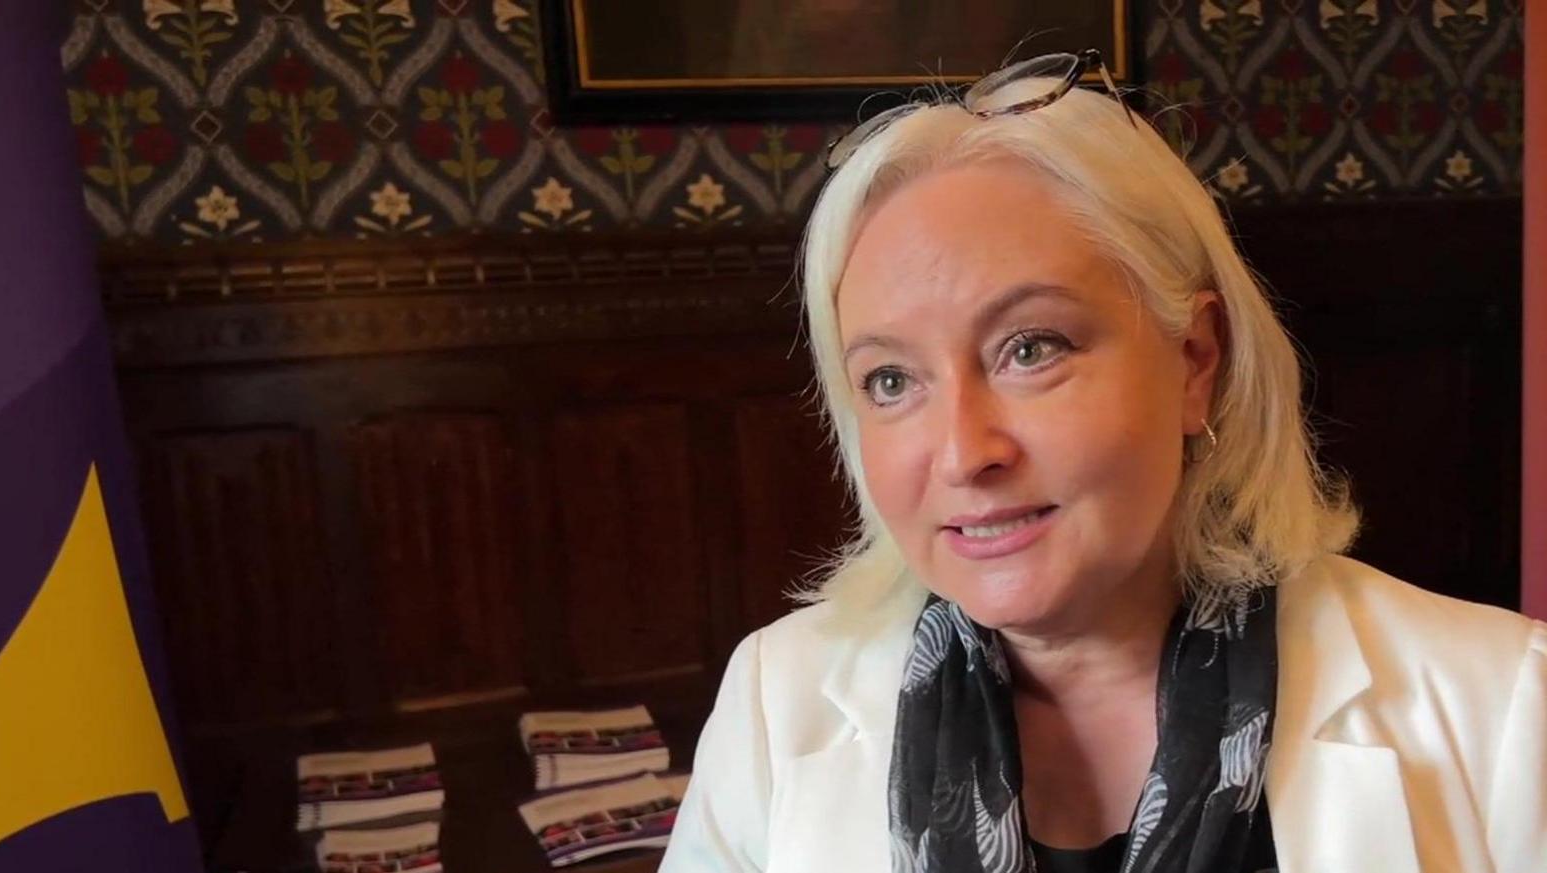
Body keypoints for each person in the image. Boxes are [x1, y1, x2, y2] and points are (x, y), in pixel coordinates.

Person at [659, 51, 1546, 873]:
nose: (965, 453)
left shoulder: (1506, 706)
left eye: (1031, 348)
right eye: (891, 379)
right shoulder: (779, 701)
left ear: (1197, 360)